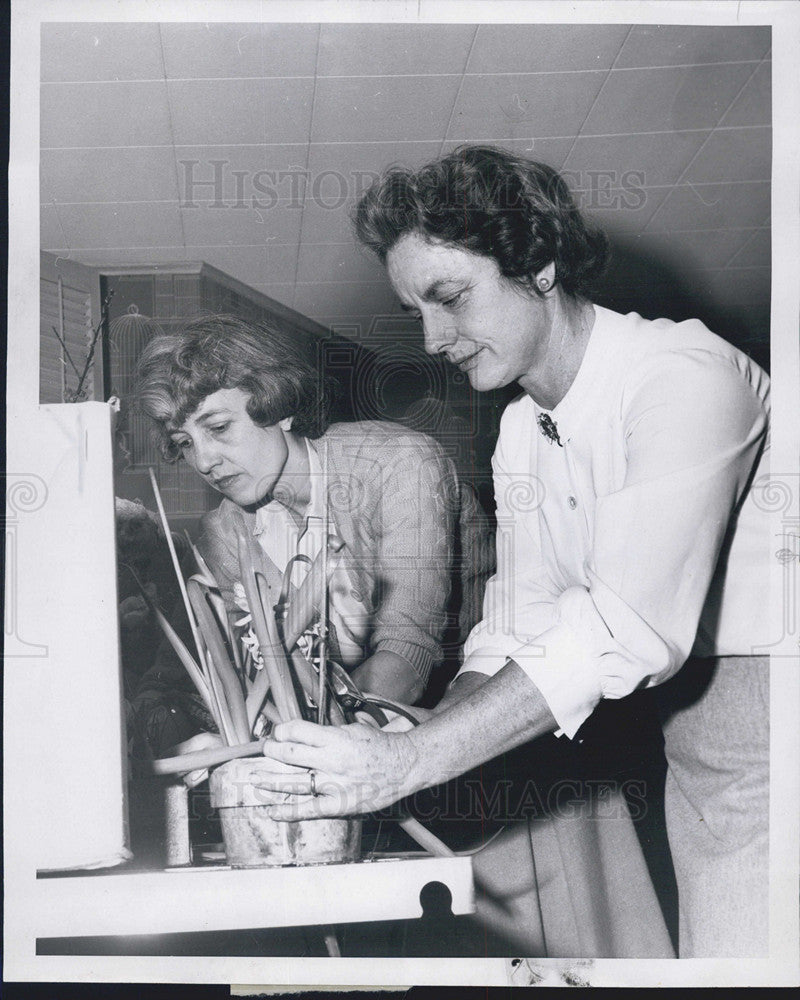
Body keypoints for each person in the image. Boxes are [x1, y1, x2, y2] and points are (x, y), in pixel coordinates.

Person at [257, 146, 771, 959]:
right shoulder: (523, 428)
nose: (431, 338)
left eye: (450, 298)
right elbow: (514, 629)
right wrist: (399, 730)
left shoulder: (683, 376)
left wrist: (412, 762)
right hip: (700, 750)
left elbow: (621, 625)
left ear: (537, 263)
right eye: (414, 311)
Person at [134, 313, 469, 709]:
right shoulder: (225, 532)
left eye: (219, 427)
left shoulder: (398, 464)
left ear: (280, 408)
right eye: (185, 442)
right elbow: (197, 671)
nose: (204, 462)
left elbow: (405, 663)